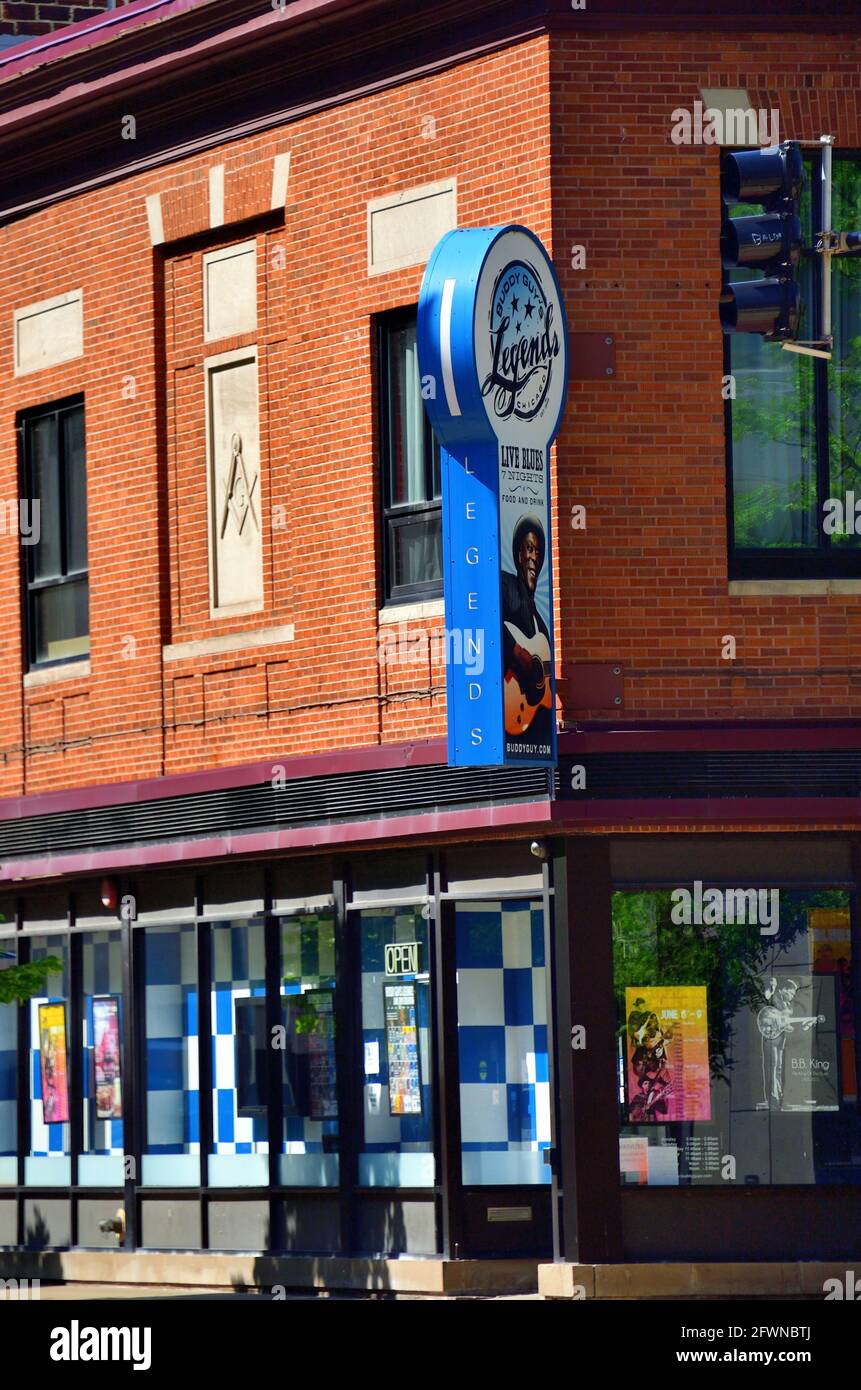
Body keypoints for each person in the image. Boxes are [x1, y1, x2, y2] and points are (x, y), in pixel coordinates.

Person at [501, 515, 553, 745]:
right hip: (505, 706)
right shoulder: (505, 585)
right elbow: (485, 621)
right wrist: (516, 651)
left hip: (532, 724)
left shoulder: (541, 623)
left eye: (538, 552)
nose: (533, 558)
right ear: (517, 554)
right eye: (529, 549)